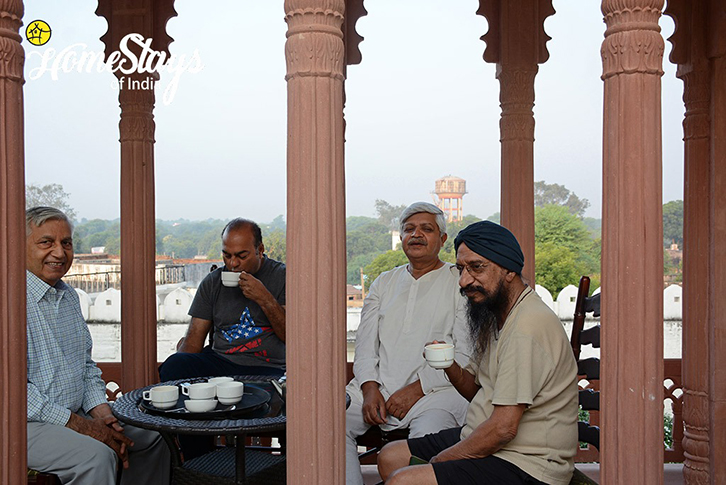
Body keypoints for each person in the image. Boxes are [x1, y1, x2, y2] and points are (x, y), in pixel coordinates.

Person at [377, 220, 578, 485]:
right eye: (461, 269)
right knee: (391, 456)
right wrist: (449, 364)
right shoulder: (496, 315)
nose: (464, 281)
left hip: (529, 462)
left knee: (405, 480)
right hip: (488, 437)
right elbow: (477, 391)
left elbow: (504, 428)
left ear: (508, 269)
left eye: (477, 267)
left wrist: (440, 463)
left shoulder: (527, 326)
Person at [25, 206, 170, 484]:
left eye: (66, 243)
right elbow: (16, 394)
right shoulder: (9, 299)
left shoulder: (67, 296)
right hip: (26, 423)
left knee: (150, 436)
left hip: (74, 413)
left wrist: (103, 415)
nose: (59, 252)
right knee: (96, 456)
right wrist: (82, 426)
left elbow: (87, 366)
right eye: (46, 242)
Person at [346, 202, 471, 485]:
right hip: (378, 389)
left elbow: (464, 353)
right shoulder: (383, 282)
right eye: (409, 229)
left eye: (427, 229)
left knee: (428, 439)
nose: (416, 235)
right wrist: (369, 387)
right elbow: (365, 344)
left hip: (435, 393)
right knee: (330, 423)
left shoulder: (459, 283)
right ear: (401, 237)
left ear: (442, 239)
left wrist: (417, 390)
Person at [159, 217, 286, 381]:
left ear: (259, 250)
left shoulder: (282, 276)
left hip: (269, 367)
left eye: (242, 256)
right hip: (221, 362)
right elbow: (194, 341)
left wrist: (264, 298)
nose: (233, 263)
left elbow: (289, 336)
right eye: (227, 255)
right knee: (174, 365)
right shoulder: (213, 282)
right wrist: (181, 357)